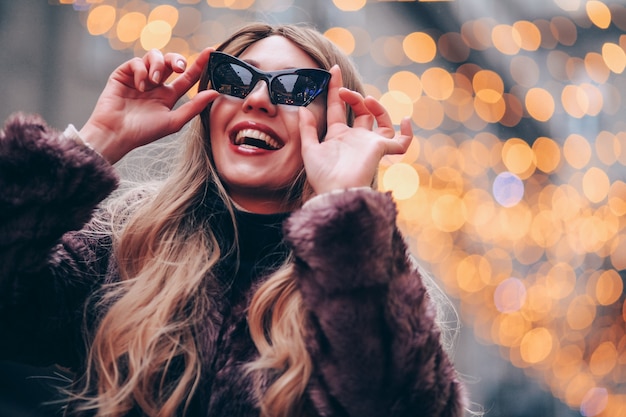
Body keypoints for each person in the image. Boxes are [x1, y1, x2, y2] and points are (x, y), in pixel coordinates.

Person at [0, 22, 466, 417]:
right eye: (236, 77)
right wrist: (99, 140)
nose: (259, 99)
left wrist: (342, 204)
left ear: (335, 126)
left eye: (296, 88)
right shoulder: (124, 245)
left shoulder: (364, 279)